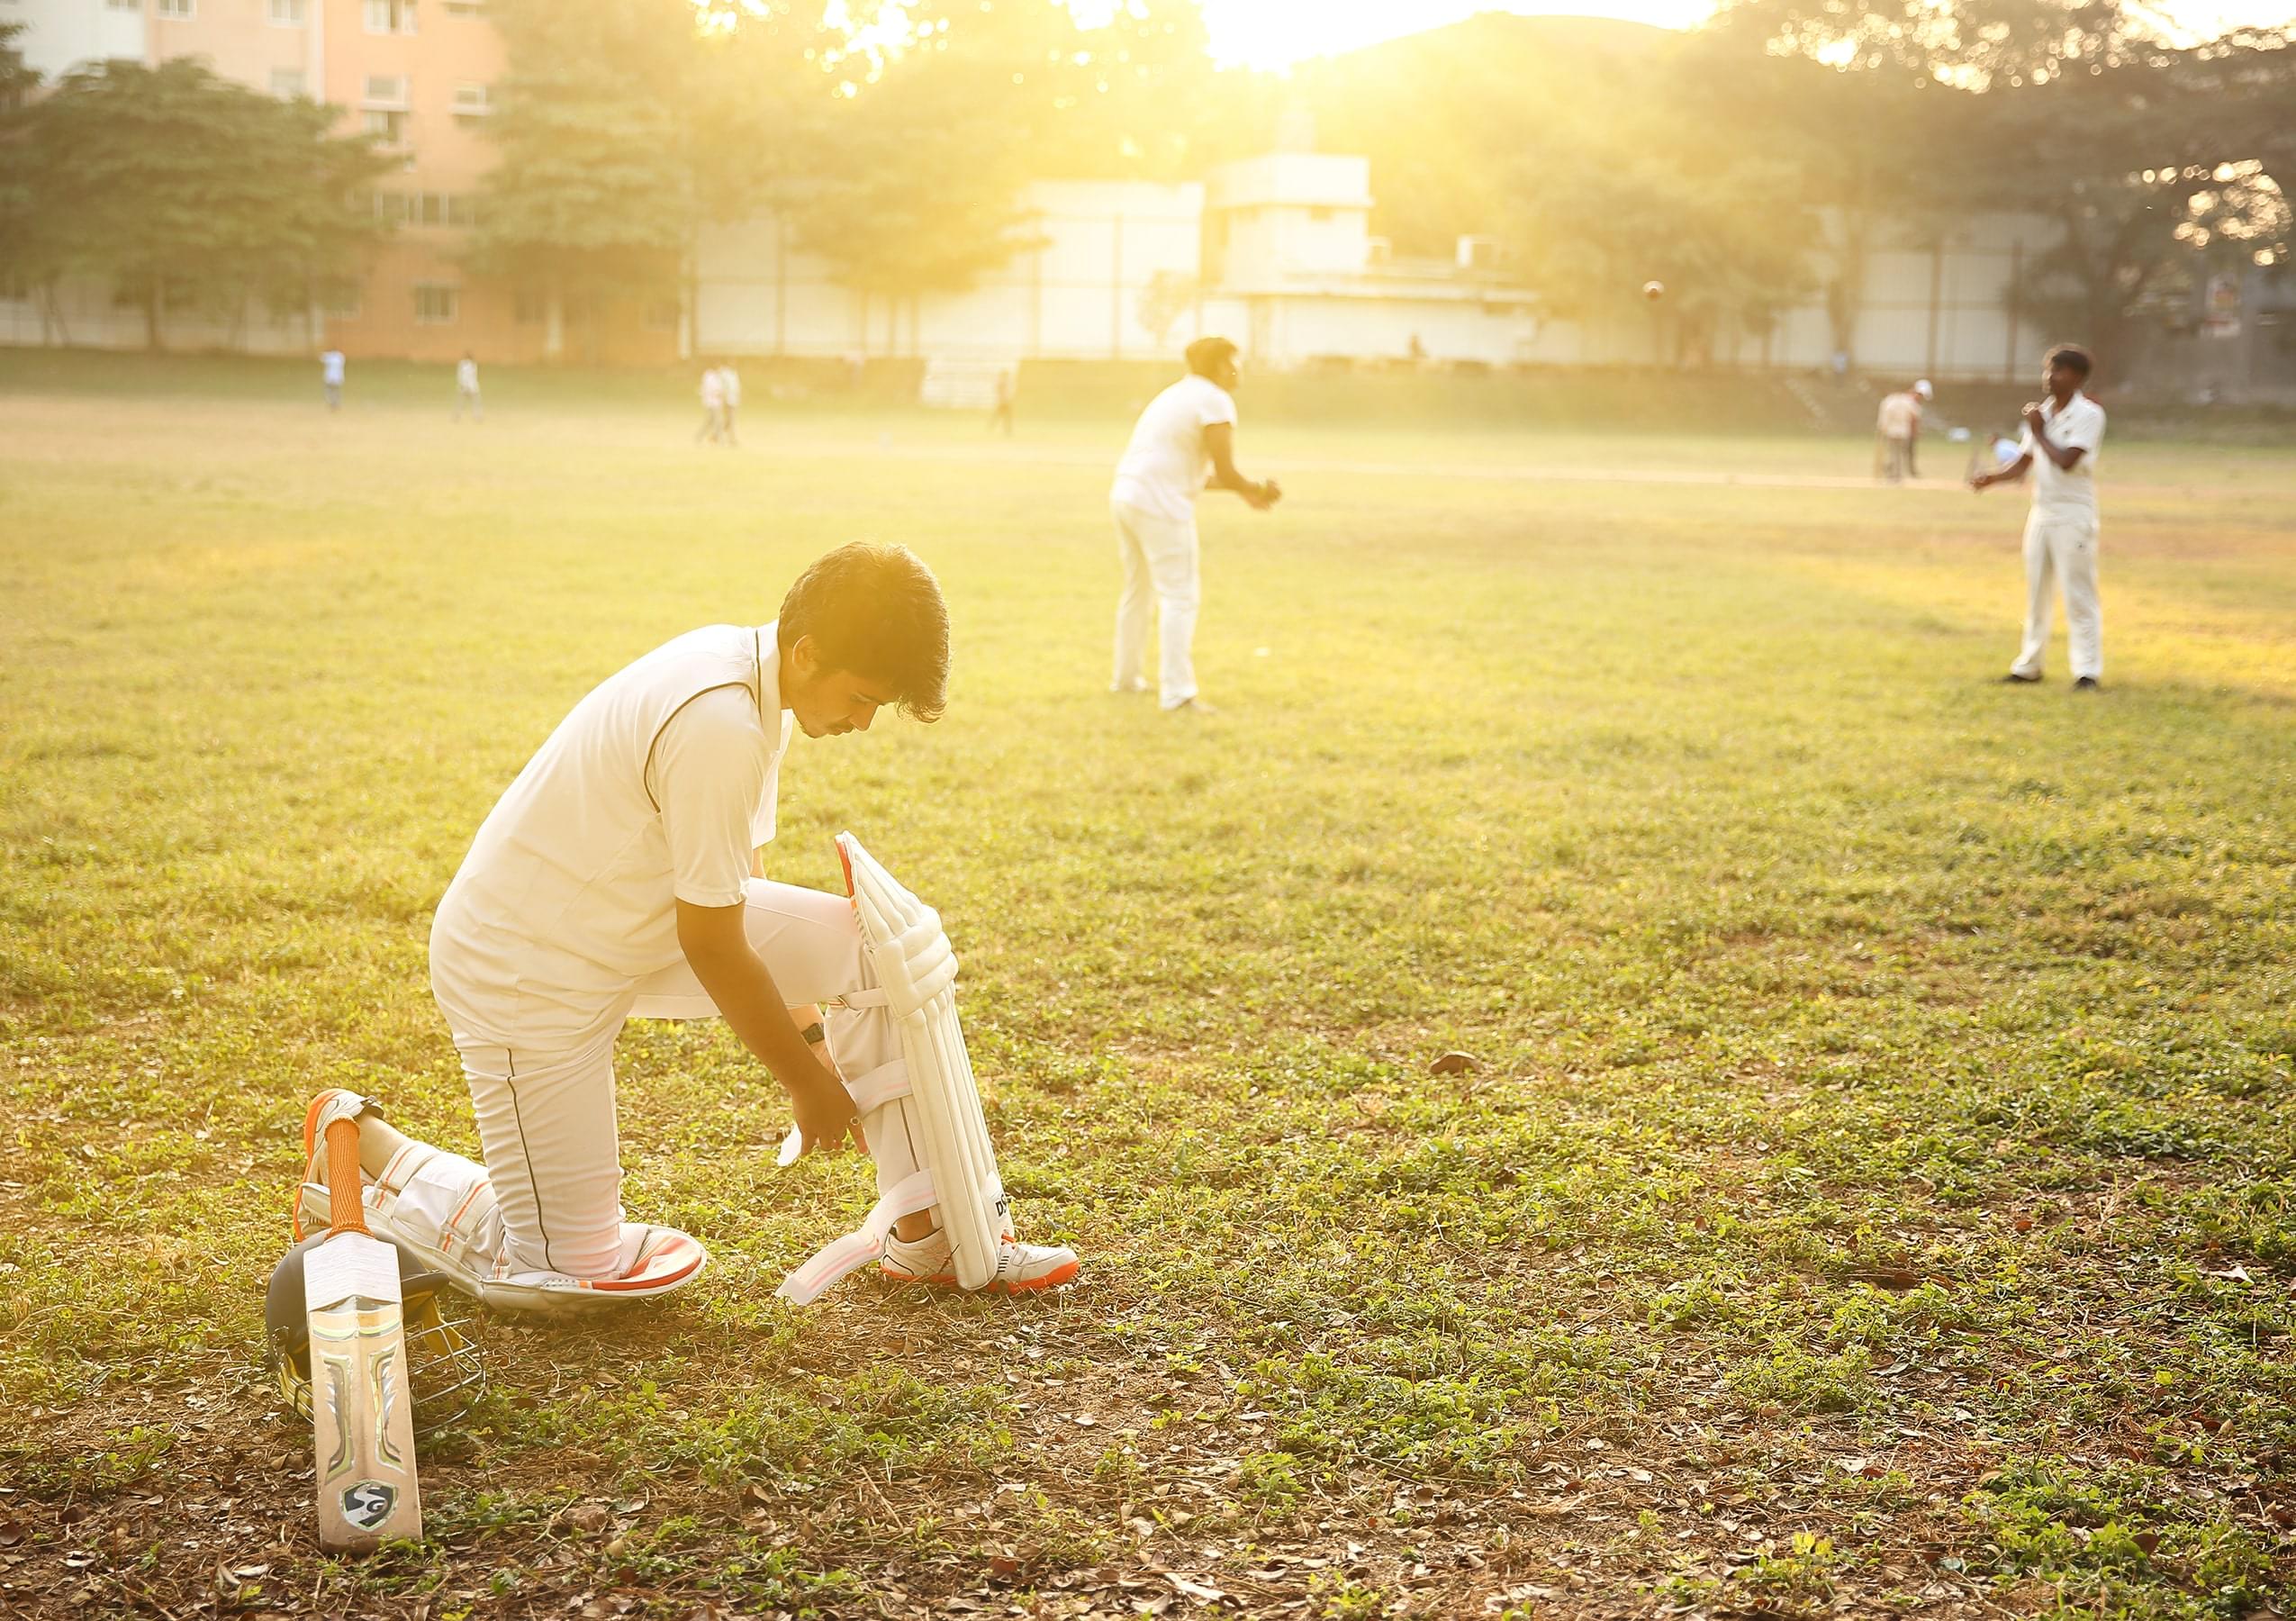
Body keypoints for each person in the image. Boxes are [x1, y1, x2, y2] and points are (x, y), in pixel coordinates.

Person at [300, 543, 1080, 1307]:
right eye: (862, 698)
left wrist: (816, 1043)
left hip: (630, 926)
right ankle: (369, 1166)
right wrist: (809, 1087)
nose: (865, 723)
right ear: (808, 653)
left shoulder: (755, 679)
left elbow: (741, 890)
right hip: (524, 970)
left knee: (877, 954)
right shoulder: (722, 727)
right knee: (569, 1276)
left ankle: (930, 1236)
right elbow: (713, 943)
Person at [1108, 337, 1280, 715]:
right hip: (1159, 505)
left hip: (1127, 495)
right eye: (1236, 362)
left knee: (1139, 591)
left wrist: (1244, 491)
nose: (1240, 370)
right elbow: (1227, 471)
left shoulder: (1175, 394)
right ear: (1221, 366)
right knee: (1180, 597)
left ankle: (1126, 678)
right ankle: (1178, 694)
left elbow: (1194, 473)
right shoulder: (1215, 399)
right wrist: (1256, 487)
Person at [1971, 344, 2107, 691]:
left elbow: (2067, 461)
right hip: (2041, 513)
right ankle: (2029, 665)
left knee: (2078, 594)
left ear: (2076, 377)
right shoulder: (2044, 413)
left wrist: (2039, 430)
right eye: (2048, 369)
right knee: (2036, 594)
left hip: (2073, 515)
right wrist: (1991, 478)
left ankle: (2087, 671)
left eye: (2059, 370)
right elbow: (2023, 462)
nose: (2050, 376)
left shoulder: (2089, 415)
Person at [1874, 378, 1930, 481]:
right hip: (1904, 431)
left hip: (1891, 431)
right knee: (1899, 453)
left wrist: (1882, 428)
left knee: (1893, 452)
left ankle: (1892, 474)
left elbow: (1884, 417)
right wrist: (1915, 430)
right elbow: (1915, 415)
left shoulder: (1889, 401)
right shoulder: (1907, 402)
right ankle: (1896, 474)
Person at [695, 364, 726, 447]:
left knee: (709, 422)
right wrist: (719, 394)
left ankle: (699, 437)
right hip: (713, 404)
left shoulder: (714, 378)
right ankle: (720, 440)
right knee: (718, 422)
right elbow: (713, 390)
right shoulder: (711, 378)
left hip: (714, 403)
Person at [719, 362, 742, 447]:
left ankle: (716, 436)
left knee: (728, 421)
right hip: (728, 402)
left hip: (733, 401)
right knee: (731, 421)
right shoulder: (726, 374)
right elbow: (724, 388)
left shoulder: (733, 374)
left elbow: (736, 389)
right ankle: (732, 440)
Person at [455, 351, 482, 421]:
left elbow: (460, 376)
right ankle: (477, 416)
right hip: (471, 387)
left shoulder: (463, 364)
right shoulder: (472, 365)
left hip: (467, 386)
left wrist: (462, 385)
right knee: (474, 402)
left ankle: (457, 416)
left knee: (461, 402)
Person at [989, 367, 1015, 437]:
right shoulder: (1002, 382)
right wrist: (1003, 400)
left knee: (1001, 416)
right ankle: (1007, 431)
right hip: (1003, 402)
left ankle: (992, 428)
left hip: (1003, 402)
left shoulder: (1002, 382)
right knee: (1005, 416)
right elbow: (1000, 392)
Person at [321, 348, 345, 412]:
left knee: (329, 391)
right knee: (336, 391)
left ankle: (332, 403)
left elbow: (322, 358)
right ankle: (335, 403)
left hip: (330, 377)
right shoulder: (340, 357)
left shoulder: (329, 357)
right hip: (338, 378)